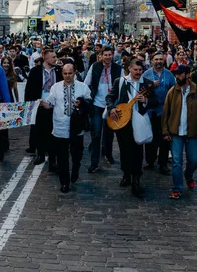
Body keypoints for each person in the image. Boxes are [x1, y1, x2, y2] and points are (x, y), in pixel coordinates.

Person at [106, 59, 158, 197]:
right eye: (135, 70)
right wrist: (111, 109)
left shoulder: (147, 84)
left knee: (138, 150)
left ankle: (136, 179)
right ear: (129, 69)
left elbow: (155, 101)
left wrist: (146, 101)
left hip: (139, 121)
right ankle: (126, 174)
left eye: (140, 70)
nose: (138, 72)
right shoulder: (121, 81)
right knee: (124, 150)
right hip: (124, 122)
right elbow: (110, 97)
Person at [41, 63, 92, 193]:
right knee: (62, 157)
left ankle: (75, 169)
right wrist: (43, 104)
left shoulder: (83, 87)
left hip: (77, 128)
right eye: (65, 73)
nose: (67, 76)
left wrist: (81, 103)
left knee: (77, 155)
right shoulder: (56, 87)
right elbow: (50, 103)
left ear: (74, 73)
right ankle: (64, 182)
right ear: (62, 74)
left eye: (70, 73)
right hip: (60, 127)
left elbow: (89, 103)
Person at [162, 64, 197, 200]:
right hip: (176, 132)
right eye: (176, 74)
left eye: (179, 74)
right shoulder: (172, 91)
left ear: (187, 75)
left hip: (193, 132)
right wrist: (165, 131)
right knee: (176, 161)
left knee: (193, 159)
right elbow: (166, 112)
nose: (177, 76)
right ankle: (177, 188)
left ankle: (188, 175)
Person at [84, 46, 124, 171]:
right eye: (105, 55)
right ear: (101, 55)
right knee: (96, 133)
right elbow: (87, 83)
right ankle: (94, 162)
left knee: (109, 133)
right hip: (97, 104)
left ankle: (108, 154)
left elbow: (122, 85)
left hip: (111, 105)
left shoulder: (118, 68)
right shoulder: (95, 67)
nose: (108, 57)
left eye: (110, 55)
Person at [25, 49, 63, 167]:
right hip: (39, 104)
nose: (55, 59)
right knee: (40, 131)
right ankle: (40, 154)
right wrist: (30, 105)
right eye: (53, 57)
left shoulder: (58, 71)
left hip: (54, 105)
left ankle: (53, 158)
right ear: (45, 58)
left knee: (53, 131)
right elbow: (29, 88)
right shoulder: (36, 71)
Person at [142, 52, 176, 174]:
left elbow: (174, 91)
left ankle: (163, 163)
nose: (158, 61)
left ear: (164, 61)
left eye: (161, 59)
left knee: (164, 138)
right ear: (152, 61)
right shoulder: (146, 74)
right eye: (156, 59)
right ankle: (150, 160)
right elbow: (141, 91)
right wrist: (150, 85)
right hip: (151, 111)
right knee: (151, 137)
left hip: (165, 111)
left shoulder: (169, 75)